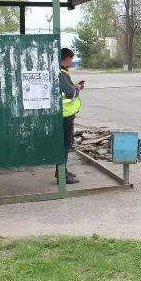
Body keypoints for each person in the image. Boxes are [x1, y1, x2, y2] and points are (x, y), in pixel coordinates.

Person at [58, 48, 84, 184]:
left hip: (65, 115)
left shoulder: (62, 73)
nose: (71, 62)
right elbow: (71, 94)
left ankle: (63, 170)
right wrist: (77, 88)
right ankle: (61, 174)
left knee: (65, 144)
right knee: (65, 145)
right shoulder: (62, 73)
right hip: (65, 115)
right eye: (71, 59)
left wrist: (73, 86)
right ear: (67, 58)